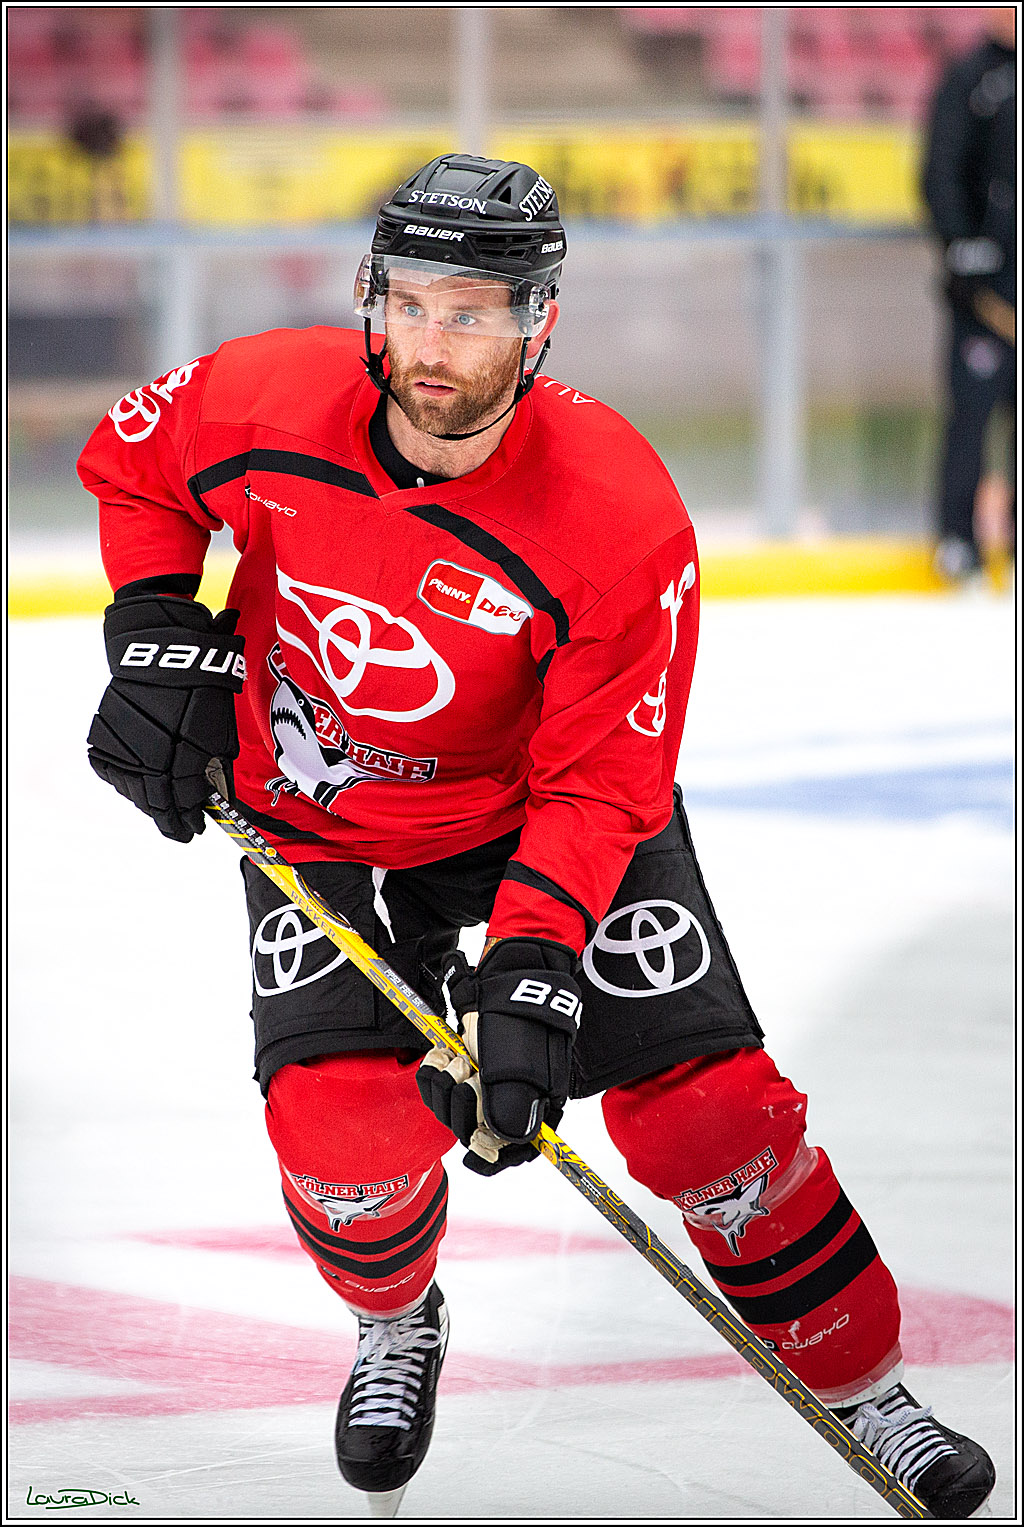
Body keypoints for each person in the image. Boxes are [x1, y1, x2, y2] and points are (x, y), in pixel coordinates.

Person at [79, 154, 995, 1519]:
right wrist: (156, 628)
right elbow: (134, 461)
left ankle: (863, 1382)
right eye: (415, 304)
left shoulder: (616, 512)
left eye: (478, 312)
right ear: (371, 299)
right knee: (339, 1123)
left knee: (711, 1119)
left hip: (534, 816)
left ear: (540, 321)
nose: (437, 342)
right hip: (315, 806)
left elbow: (599, 781)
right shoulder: (265, 392)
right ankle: (396, 1318)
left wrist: (534, 967)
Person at [922, 6, 1016, 583]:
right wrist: (965, 249)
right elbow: (939, 173)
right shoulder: (967, 78)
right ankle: (959, 542)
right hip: (983, 302)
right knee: (970, 420)